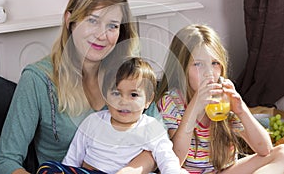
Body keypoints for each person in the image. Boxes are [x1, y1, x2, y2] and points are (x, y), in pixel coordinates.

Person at [0, 0, 162, 174]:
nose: (101, 35)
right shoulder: (38, 79)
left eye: (112, 26)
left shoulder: (130, 74)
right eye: (92, 20)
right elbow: (4, 161)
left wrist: (130, 171)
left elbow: (159, 141)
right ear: (70, 20)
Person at [155, 24, 284, 173]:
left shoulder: (223, 98)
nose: (209, 73)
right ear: (181, 68)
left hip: (225, 170)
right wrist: (194, 107)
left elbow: (265, 150)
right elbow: (175, 161)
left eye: (214, 63)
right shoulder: (171, 102)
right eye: (198, 64)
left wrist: (241, 110)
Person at [37, 57, 186, 174]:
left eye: (133, 95)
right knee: (47, 168)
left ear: (148, 100)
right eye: (116, 93)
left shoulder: (151, 127)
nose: (123, 101)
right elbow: (72, 159)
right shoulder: (93, 122)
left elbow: (167, 158)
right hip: (90, 172)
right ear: (106, 96)